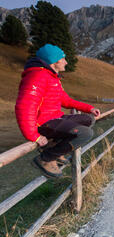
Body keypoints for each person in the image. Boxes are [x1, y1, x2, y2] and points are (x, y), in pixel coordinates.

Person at [15, 44, 101, 178]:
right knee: (85, 134)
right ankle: (46, 158)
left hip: (55, 118)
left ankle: (54, 147)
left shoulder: (51, 77)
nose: (66, 62)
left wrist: (89, 108)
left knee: (89, 119)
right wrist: (34, 136)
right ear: (54, 61)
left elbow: (66, 100)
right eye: (63, 59)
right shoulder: (37, 77)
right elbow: (24, 107)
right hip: (44, 123)